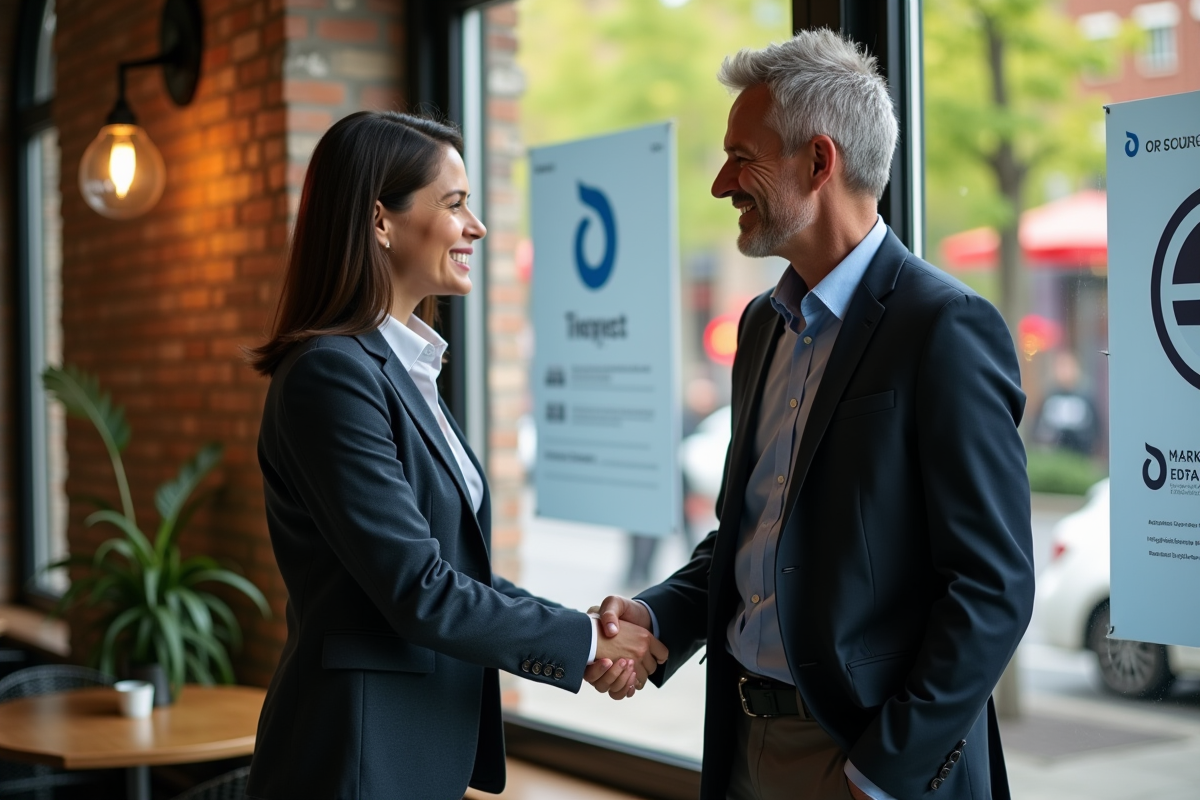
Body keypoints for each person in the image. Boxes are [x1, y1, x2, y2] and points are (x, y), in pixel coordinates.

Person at [592, 31, 1034, 800]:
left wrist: (882, 772)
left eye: (742, 155)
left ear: (819, 162)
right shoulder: (764, 326)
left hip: (862, 759)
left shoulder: (945, 327)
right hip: (742, 743)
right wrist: (659, 616)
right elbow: (756, 533)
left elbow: (991, 587)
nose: (722, 182)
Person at [245, 111, 665, 800]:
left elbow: (449, 567)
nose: (477, 227)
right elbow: (419, 589)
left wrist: (585, 632)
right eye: (455, 204)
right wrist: (587, 645)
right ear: (380, 221)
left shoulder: (400, 369)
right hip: (356, 756)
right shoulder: (332, 375)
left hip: (408, 750)